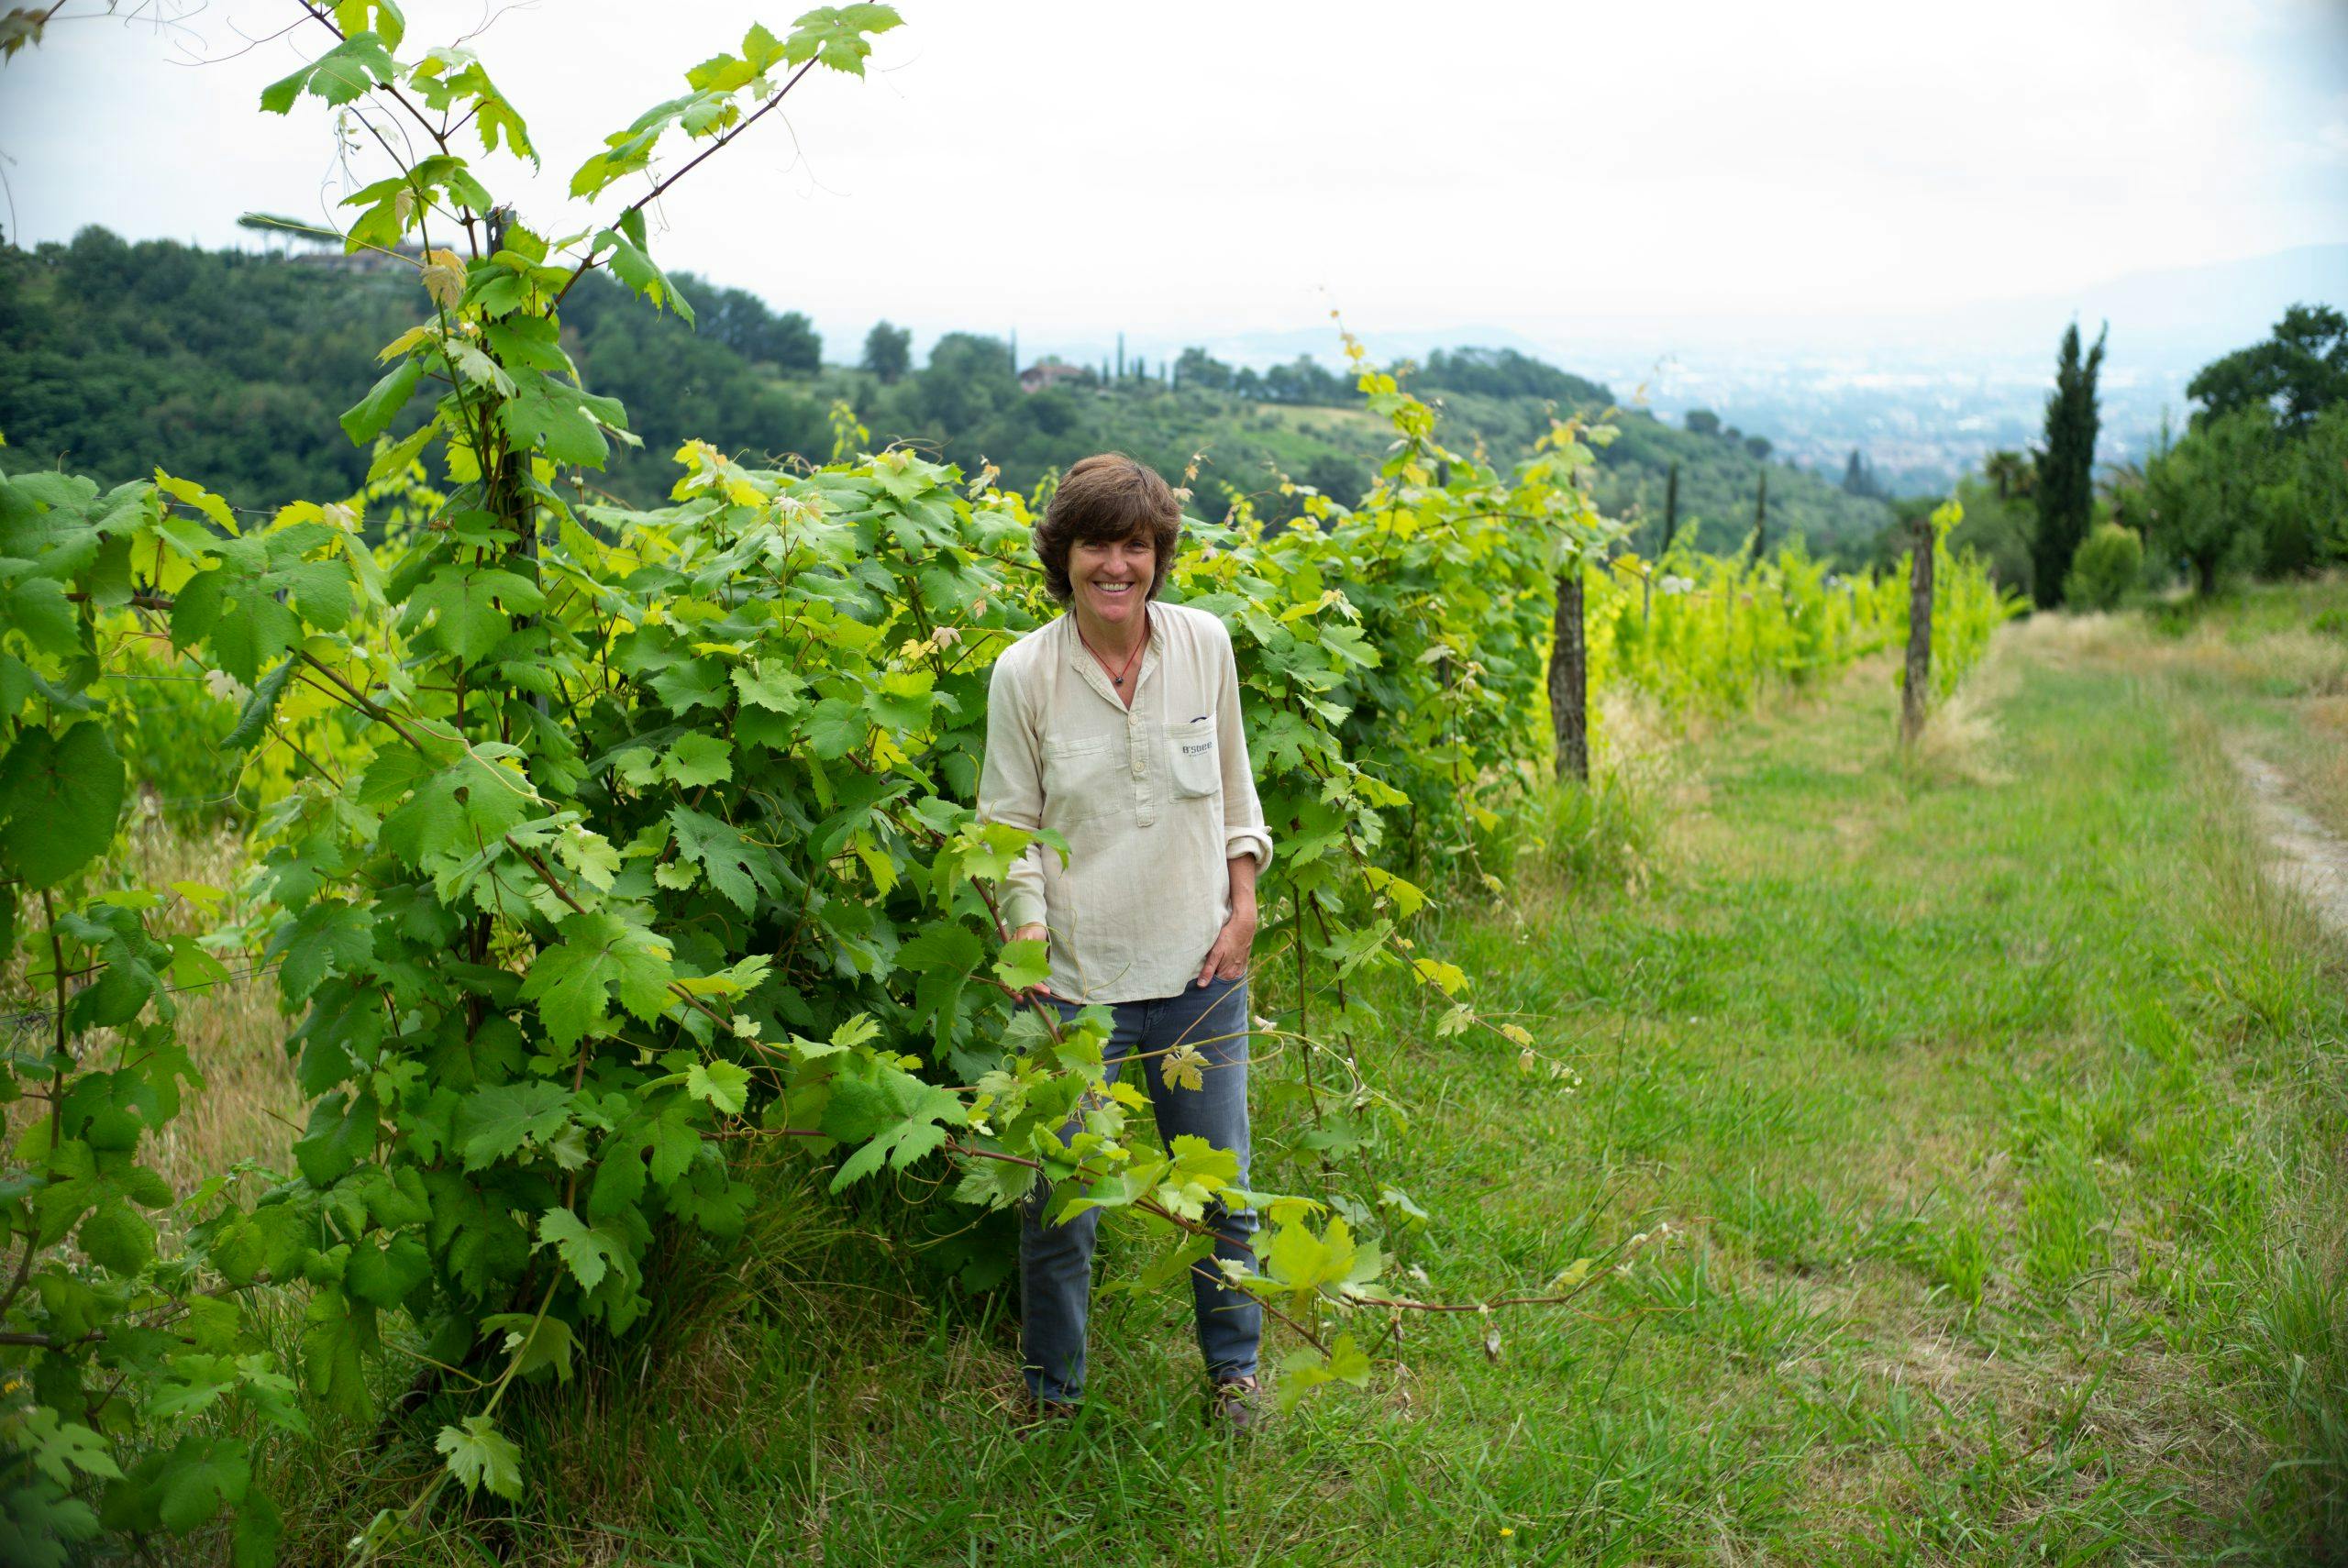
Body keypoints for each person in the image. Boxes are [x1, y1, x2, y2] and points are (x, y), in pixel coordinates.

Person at [975, 452, 1273, 1429]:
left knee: (1219, 1189)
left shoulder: (1206, 646)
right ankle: (1050, 1393)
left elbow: (1235, 789)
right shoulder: (1023, 673)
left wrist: (1242, 905)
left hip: (1199, 969)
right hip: (1075, 984)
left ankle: (1234, 1375)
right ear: (1063, 557)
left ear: (1158, 556)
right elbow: (1007, 828)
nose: (1117, 565)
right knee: (1065, 1201)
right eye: (1097, 545)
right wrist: (1024, 932)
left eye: (1135, 546)